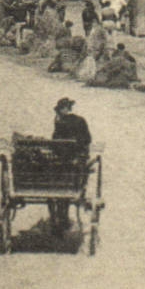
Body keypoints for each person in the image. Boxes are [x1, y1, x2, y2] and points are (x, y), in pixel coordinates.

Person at [49, 98, 92, 230]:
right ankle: (63, 218)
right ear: (69, 108)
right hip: (74, 163)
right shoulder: (80, 120)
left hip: (60, 163)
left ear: (61, 110)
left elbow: (54, 142)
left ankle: (56, 218)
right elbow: (88, 139)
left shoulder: (59, 122)